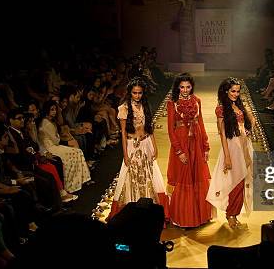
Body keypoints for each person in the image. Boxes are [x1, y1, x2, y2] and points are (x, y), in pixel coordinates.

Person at [107, 78, 168, 220]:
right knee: (131, 177)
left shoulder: (145, 106)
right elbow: (123, 133)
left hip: (146, 143)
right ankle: (132, 212)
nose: (137, 95)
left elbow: (149, 128)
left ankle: (149, 210)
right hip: (131, 145)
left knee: (148, 175)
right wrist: (125, 155)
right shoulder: (123, 109)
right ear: (130, 93)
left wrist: (155, 147)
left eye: (140, 93)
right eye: (134, 93)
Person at [166, 73, 214, 227]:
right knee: (183, 177)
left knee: (197, 177)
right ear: (177, 87)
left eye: (188, 87)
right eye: (182, 87)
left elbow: (201, 123)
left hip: (196, 142)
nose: (185, 90)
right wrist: (179, 151)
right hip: (181, 142)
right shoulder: (172, 103)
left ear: (192, 86)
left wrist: (206, 146)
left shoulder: (197, 101)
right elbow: (170, 130)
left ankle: (199, 216)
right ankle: (184, 218)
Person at [207, 77, 255, 229]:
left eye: (238, 91)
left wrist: (246, 117)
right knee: (234, 182)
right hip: (232, 147)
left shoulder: (239, 105)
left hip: (245, 146)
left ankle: (234, 214)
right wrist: (227, 156)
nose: (235, 94)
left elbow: (251, 122)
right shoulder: (221, 109)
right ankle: (230, 214)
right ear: (226, 91)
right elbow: (222, 134)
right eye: (233, 91)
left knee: (242, 182)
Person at [37, 100, 91, 194]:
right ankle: (71, 184)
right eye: (52, 110)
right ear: (47, 110)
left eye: (55, 109)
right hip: (51, 148)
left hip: (54, 145)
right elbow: (55, 140)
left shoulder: (50, 121)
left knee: (77, 152)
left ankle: (80, 180)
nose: (54, 112)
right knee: (74, 153)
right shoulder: (46, 123)